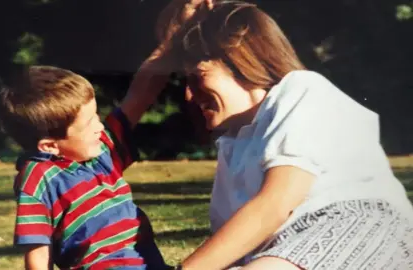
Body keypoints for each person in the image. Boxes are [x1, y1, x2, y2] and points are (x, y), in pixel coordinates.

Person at [157, 1, 413, 269]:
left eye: (197, 76)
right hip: (281, 248)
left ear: (239, 59)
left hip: (354, 225)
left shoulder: (300, 90)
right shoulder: (232, 146)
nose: (189, 94)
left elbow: (275, 204)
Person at [0, 45, 174, 269]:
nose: (100, 127)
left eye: (96, 116)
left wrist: (171, 42)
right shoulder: (38, 178)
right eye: (89, 123)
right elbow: (38, 251)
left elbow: (140, 95)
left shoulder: (101, 152)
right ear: (50, 145)